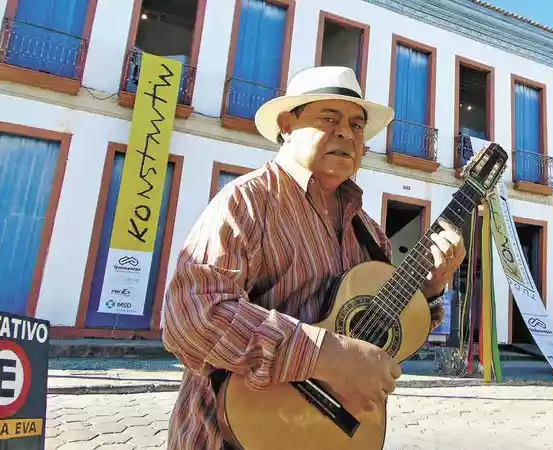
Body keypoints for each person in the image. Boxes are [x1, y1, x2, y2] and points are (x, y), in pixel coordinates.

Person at [161, 66, 466, 450]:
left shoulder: (369, 233)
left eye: (357, 126)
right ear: (288, 125)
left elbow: (381, 344)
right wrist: (328, 356)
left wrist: (431, 286)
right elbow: (191, 317)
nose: (346, 133)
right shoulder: (248, 201)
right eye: (329, 118)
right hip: (229, 435)